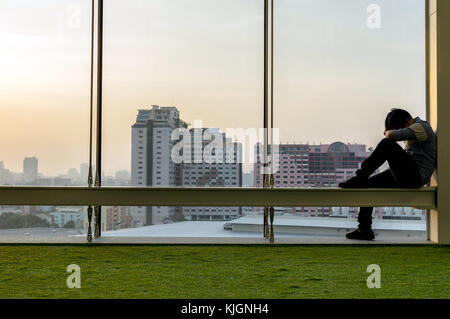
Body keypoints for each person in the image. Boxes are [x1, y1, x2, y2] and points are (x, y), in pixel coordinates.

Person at [339, 108, 437, 240]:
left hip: (415, 176)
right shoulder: (414, 129)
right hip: (409, 173)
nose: (398, 132)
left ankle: (360, 176)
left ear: (406, 121)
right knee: (368, 185)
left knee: (387, 144)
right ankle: (364, 229)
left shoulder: (421, 127)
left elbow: (391, 136)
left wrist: (388, 132)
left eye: (398, 128)